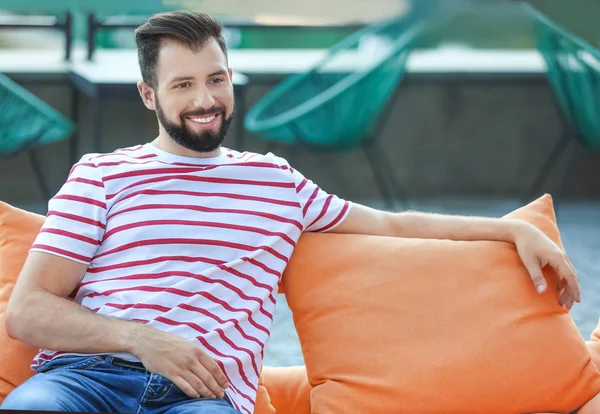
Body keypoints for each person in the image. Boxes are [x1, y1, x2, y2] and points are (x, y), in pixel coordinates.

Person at [1, 10, 581, 414]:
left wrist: (510, 228)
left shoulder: (276, 182)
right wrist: (142, 340)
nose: (205, 100)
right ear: (149, 95)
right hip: (83, 383)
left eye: (216, 79)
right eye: (182, 85)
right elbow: (26, 312)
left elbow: (391, 224)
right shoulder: (102, 175)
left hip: (203, 399)